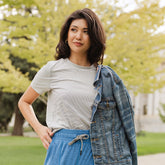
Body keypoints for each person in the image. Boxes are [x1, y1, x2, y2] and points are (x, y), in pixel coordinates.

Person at [18, 8, 137, 165]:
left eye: (85, 31)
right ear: (67, 35)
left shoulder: (104, 77)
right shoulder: (53, 69)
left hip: (97, 151)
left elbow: (120, 122)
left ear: (93, 37)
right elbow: (24, 102)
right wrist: (39, 129)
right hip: (61, 148)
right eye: (74, 30)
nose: (78, 36)